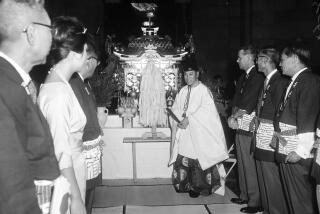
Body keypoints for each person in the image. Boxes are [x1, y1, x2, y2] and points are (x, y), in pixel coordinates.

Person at [0, 1, 60, 214]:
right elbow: (10, 185)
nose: (53, 36)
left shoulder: (16, 80)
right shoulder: (4, 86)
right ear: (32, 33)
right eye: (50, 29)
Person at [38, 16, 89, 214]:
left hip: (73, 171)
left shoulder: (61, 84)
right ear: (76, 53)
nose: (87, 56)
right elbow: (61, 152)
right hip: (67, 179)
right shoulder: (57, 93)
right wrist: (75, 199)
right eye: (85, 50)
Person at [168, 56, 228, 198]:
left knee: (196, 159)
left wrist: (189, 119)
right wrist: (177, 119)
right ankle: (185, 184)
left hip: (198, 133)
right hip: (184, 132)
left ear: (197, 74)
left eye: (191, 74)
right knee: (184, 156)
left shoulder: (203, 91)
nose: (188, 77)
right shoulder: (182, 91)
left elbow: (208, 111)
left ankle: (198, 187)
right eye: (185, 75)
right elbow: (176, 108)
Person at [272, 42, 319, 214]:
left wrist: (301, 151)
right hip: (287, 145)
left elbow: (308, 118)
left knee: (300, 199)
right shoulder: (296, 81)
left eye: (283, 60)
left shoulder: (309, 82)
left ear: (294, 59)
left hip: (297, 150)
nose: (279, 63)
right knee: (292, 196)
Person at [69, 34, 107, 214]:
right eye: (97, 62)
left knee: (89, 194)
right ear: (90, 61)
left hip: (91, 148)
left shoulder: (85, 83)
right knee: (82, 197)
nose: (96, 67)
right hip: (81, 151)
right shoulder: (72, 83)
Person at [228, 45, 264, 213]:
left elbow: (248, 102)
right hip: (239, 124)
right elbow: (236, 100)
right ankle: (244, 194)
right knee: (242, 162)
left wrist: (235, 117)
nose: (237, 60)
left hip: (249, 124)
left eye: (240, 57)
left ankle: (255, 201)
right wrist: (231, 117)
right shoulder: (243, 77)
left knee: (249, 163)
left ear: (250, 57)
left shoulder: (257, 76)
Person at [254, 47, 289, 214]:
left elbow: (280, 112)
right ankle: (268, 209)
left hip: (271, 134)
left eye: (259, 58)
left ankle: (276, 211)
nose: (256, 62)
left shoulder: (279, 81)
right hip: (262, 131)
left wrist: (277, 137)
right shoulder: (268, 80)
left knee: (271, 177)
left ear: (266, 61)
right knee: (263, 175)